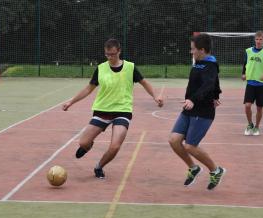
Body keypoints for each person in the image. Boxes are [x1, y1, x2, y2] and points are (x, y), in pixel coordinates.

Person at [62, 38, 163, 179]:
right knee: (83, 142)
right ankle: (87, 147)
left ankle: (99, 166)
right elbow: (88, 88)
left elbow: (144, 83)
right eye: (107, 54)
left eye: (113, 54)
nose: (110, 57)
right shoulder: (101, 68)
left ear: (119, 51)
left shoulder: (130, 67)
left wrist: (155, 96)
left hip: (122, 111)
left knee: (115, 146)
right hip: (102, 110)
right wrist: (71, 102)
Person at [168, 33, 225, 190]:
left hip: (203, 111)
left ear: (202, 49)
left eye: (193, 49)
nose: (191, 52)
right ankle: (193, 168)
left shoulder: (210, 65)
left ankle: (216, 170)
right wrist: (216, 94)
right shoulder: (198, 62)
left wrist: (194, 99)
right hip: (189, 109)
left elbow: (208, 84)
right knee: (173, 140)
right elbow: (215, 84)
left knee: (190, 146)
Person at [242, 31, 263, 135]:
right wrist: (243, 73)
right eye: (257, 39)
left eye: (261, 39)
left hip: (261, 84)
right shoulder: (248, 51)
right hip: (250, 83)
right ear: (254, 40)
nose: (259, 41)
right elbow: (245, 64)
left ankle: (257, 127)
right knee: (247, 105)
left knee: (259, 107)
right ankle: (250, 124)